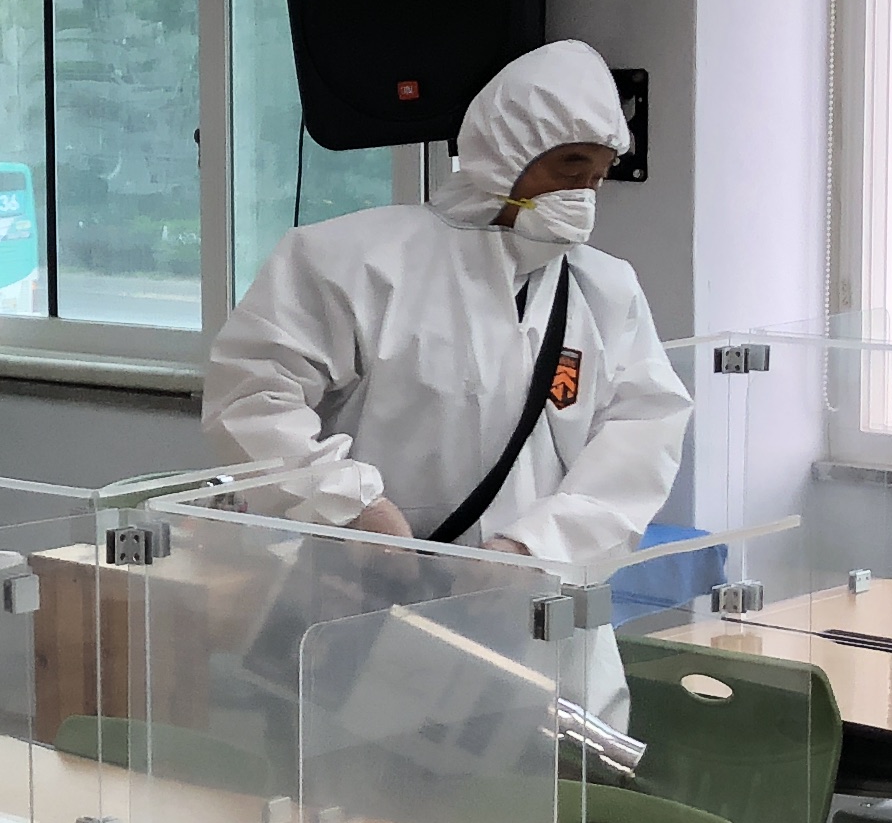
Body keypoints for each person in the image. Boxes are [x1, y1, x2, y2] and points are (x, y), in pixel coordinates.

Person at [204, 34, 690, 573]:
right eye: (569, 167)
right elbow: (252, 397)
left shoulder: (604, 289)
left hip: (534, 594)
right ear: (507, 154)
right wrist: (350, 506)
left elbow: (642, 432)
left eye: (597, 176)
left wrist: (535, 547)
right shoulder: (352, 262)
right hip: (362, 586)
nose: (583, 193)